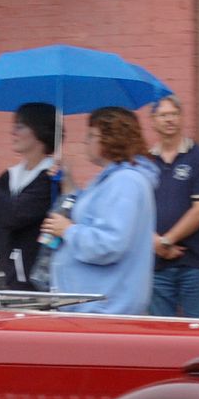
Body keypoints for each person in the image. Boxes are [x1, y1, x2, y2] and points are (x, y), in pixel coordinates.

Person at [40, 106, 158, 315]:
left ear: (111, 138)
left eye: (91, 135)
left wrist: (67, 231)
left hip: (105, 307)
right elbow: (92, 218)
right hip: (94, 305)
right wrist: (68, 183)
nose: (86, 141)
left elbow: (109, 244)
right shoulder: (111, 179)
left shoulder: (125, 182)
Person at [0, 103, 60, 289]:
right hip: (3, 278)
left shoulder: (50, 179)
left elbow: (12, 216)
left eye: (20, 126)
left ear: (40, 131)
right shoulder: (9, 177)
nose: (12, 132)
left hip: (33, 283)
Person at [145, 96, 199, 317]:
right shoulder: (145, 161)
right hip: (156, 265)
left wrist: (166, 241)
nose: (169, 120)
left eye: (174, 114)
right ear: (153, 121)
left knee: (198, 329)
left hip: (195, 263)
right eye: (163, 115)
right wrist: (154, 242)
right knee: (160, 333)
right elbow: (135, 210)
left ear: (182, 118)